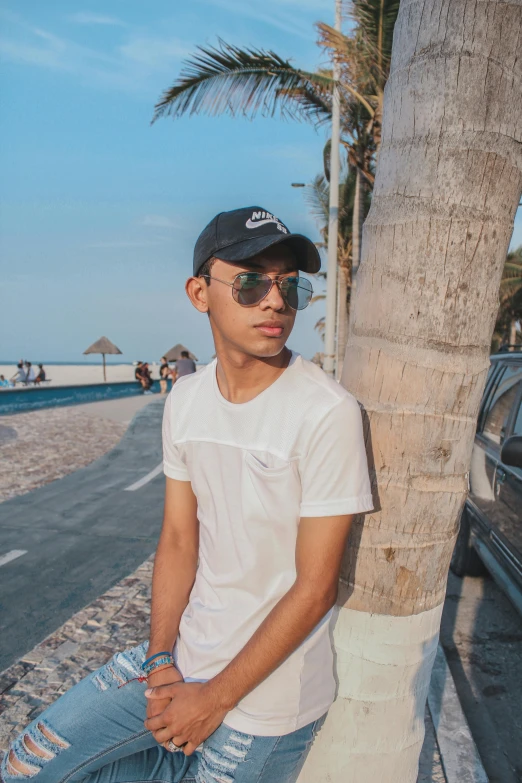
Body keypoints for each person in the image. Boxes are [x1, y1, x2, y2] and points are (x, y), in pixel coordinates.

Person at [3, 206, 373, 783]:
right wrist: (158, 662)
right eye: (251, 282)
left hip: (267, 700)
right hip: (181, 661)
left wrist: (217, 699)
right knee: (29, 761)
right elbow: (178, 538)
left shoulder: (326, 413)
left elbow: (314, 586)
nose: (275, 301)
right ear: (200, 293)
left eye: (289, 284)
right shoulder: (186, 400)